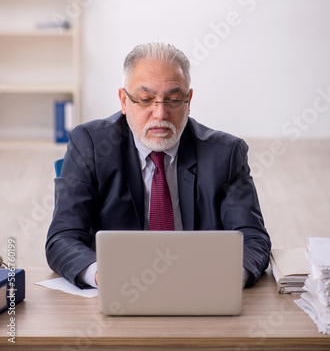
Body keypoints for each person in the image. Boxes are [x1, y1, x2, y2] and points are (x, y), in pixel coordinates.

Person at [46, 42, 271, 289]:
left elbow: (252, 238)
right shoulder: (89, 144)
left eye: (174, 100)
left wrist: (227, 279)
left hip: (200, 288)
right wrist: (103, 276)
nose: (160, 114)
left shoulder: (226, 154)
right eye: (145, 99)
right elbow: (62, 238)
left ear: (189, 100)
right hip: (122, 289)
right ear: (123, 100)